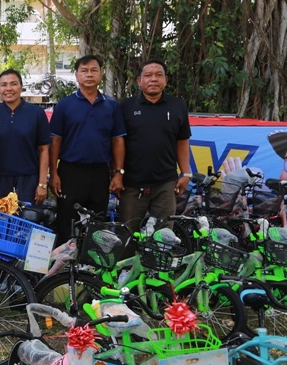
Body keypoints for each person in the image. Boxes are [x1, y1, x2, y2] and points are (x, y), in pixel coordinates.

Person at [49, 55, 126, 244]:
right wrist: (54, 173)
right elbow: (55, 141)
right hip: (70, 172)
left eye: (93, 70)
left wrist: (118, 173)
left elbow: (117, 141)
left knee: (97, 223)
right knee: (66, 222)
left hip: (99, 173)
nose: (89, 75)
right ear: (76, 75)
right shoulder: (64, 105)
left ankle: (90, 262)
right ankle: (65, 262)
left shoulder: (111, 105)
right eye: (84, 71)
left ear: (101, 74)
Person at [118, 59, 192, 235]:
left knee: (164, 236)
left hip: (166, 184)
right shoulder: (125, 106)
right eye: (148, 75)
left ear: (166, 80)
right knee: (127, 235)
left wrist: (186, 173)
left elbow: (182, 141)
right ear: (139, 81)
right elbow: (118, 143)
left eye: (159, 75)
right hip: (132, 184)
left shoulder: (177, 105)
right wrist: (117, 173)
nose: (153, 79)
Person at [0, 68, 50, 204]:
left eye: (13, 84)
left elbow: (44, 149)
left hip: (28, 180)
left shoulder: (36, 113)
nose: (8, 89)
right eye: (3, 85)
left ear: (21, 87)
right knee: (0, 217)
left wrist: (42, 183)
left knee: (27, 217)